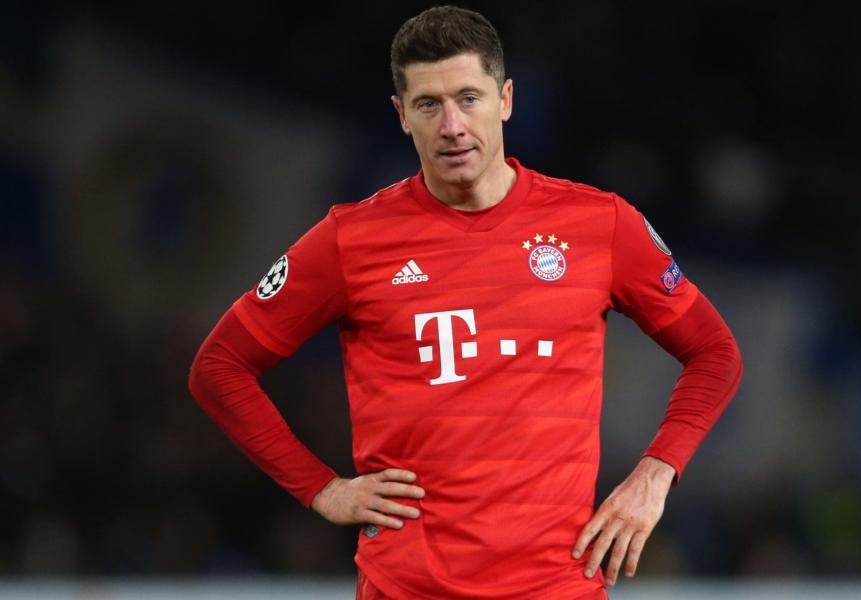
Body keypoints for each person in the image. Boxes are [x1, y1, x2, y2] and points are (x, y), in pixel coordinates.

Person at [189, 5, 743, 599]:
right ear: (402, 115)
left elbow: (714, 353)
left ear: (505, 100)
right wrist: (321, 489)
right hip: (409, 589)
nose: (452, 124)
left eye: (469, 98)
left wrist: (654, 476)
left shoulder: (598, 224)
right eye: (429, 104)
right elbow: (219, 368)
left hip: (557, 588)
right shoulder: (351, 241)